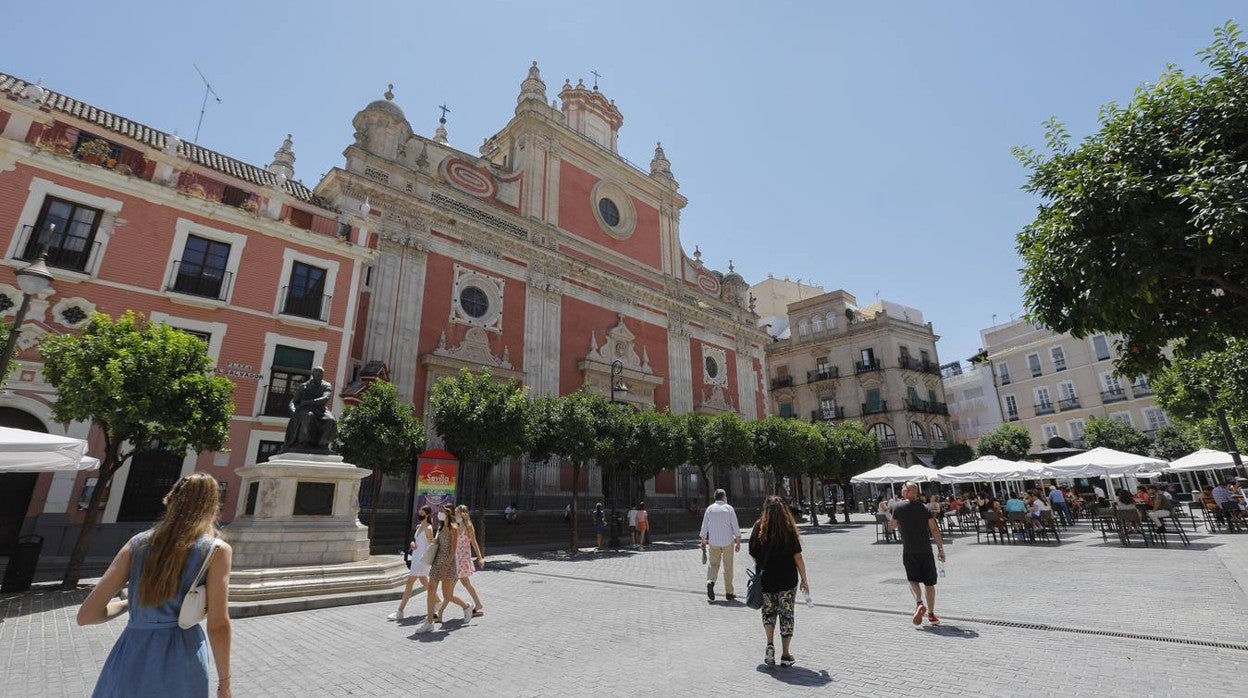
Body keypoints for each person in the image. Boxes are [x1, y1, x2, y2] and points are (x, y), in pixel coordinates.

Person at [79, 473, 232, 698]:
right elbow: (218, 625)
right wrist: (225, 683)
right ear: (212, 507)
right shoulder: (216, 551)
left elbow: (86, 616)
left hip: (131, 653)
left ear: (171, 499)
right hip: (182, 655)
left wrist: (129, 604)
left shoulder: (137, 543)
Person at [748, 496, 809, 668]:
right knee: (786, 615)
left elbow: (752, 552)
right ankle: (786, 654)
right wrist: (804, 579)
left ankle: (769, 645)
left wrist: (762, 563)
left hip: (767, 580)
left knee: (768, 613)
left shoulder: (759, 526)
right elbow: (798, 557)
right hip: (787, 580)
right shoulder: (788, 528)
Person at [890, 482, 945, 626]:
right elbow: (934, 529)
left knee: (912, 580)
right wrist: (940, 549)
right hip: (926, 550)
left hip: (909, 550)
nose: (901, 490)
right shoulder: (924, 508)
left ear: (907, 491)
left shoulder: (898, 507)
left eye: (903, 489)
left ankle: (919, 603)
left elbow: (893, 526)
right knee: (929, 584)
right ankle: (931, 615)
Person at [414, 504, 472, 633]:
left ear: (448, 513)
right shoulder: (440, 527)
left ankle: (466, 606)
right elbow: (438, 543)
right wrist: (433, 541)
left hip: (449, 564)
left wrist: (445, 567)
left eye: (441, 511)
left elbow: (453, 550)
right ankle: (429, 622)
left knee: (448, 595)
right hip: (437, 562)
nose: (439, 513)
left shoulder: (453, 528)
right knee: (430, 589)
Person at [389, 505, 440, 621]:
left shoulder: (428, 528)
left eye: (422, 513)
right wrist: (413, 543)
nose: (419, 514)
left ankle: (400, 611)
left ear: (427, 514)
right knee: (423, 581)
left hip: (422, 560)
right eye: (419, 512)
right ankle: (437, 601)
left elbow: (431, 544)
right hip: (416, 557)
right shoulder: (419, 526)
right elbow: (416, 540)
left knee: (409, 582)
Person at [438, 505, 486, 618]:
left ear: (463, 513)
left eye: (457, 512)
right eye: (454, 512)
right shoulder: (456, 525)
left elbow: (474, 542)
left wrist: (480, 557)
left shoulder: (468, 526)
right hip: (456, 558)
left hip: (462, 559)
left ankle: (439, 612)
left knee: (452, 585)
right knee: (464, 584)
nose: (455, 514)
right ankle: (478, 604)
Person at [700, 489, 742, 601]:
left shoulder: (710, 509)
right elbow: (735, 526)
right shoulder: (729, 508)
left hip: (713, 542)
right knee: (728, 567)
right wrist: (738, 541)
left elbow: (704, 526)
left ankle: (710, 581)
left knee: (713, 565)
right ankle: (729, 592)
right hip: (727, 541)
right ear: (723, 497)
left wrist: (703, 540)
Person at [281, 366, 336, 452]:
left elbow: (326, 398)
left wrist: (308, 402)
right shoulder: (304, 386)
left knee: (331, 420)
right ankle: (303, 443)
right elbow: (294, 401)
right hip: (305, 410)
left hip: (320, 409)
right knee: (308, 416)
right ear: (313, 375)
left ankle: (322, 445)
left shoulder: (326, 385)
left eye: (321, 374)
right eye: (318, 374)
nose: (320, 376)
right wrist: (293, 410)